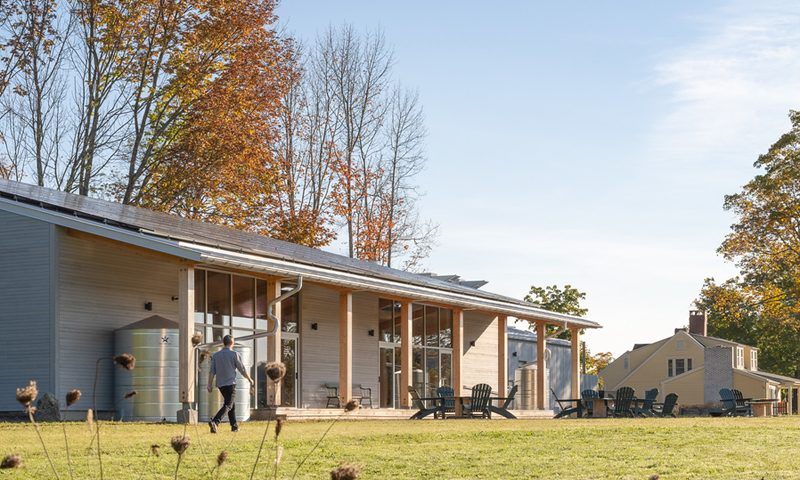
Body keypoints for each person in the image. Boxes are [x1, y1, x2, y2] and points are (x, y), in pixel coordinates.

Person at [207, 334, 254, 433]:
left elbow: (212, 372)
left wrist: (209, 385)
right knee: (228, 405)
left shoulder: (216, 355)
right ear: (232, 343)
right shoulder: (234, 354)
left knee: (231, 405)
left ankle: (234, 427)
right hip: (230, 384)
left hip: (220, 385)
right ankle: (215, 422)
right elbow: (242, 369)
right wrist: (249, 379)